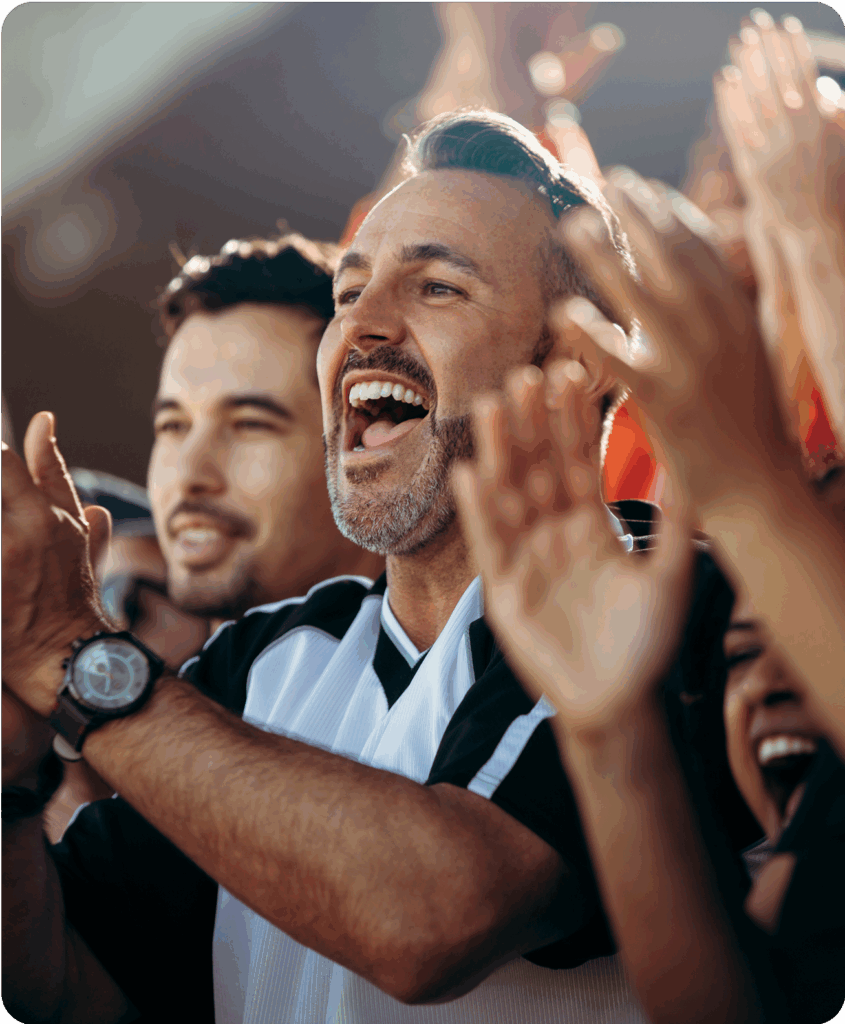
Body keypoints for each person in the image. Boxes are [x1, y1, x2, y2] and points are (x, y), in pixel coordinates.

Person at [3, 110, 652, 1024]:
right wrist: (7, 784)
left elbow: (435, 918)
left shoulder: (674, 597)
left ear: (573, 364)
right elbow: (69, 975)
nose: (363, 328)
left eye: (436, 288)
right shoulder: (264, 656)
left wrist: (74, 657)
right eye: (349, 293)